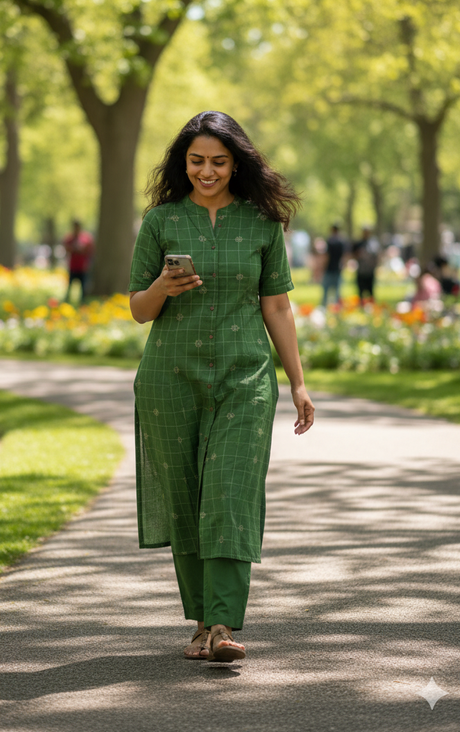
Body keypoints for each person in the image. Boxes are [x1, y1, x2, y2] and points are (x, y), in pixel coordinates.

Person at [129, 111, 315, 664]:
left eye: (218, 162)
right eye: (196, 161)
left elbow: (277, 306)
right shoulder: (161, 221)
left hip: (245, 377)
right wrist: (163, 284)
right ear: (182, 163)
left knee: (229, 495)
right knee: (187, 501)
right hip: (170, 378)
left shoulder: (261, 224)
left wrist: (299, 383)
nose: (206, 171)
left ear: (237, 163)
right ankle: (203, 623)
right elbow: (139, 310)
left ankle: (223, 624)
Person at [62, 220, 94, 303]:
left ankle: (83, 303)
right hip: (73, 266)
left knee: (83, 287)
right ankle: (67, 301)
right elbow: (66, 248)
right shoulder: (69, 238)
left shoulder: (86, 238)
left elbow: (89, 250)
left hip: (82, 267)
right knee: (69, 286)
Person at [352, 226, 380, 303]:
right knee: (360, 291)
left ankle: (372, 306)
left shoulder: (374, 243)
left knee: (371, 291)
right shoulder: (358, 243)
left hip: (370, 271)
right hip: (361, 271)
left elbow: (377, 256)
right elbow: (352, 255)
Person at [321, 223, 345, 307]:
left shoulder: (330, 241)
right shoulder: (341, 242)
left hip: (329, 268)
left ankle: (324, 306)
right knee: (337, 291)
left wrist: (323, 267)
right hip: (338, 269)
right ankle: (337, 307)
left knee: (326, 290)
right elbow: (344, 256)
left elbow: (327, 256)